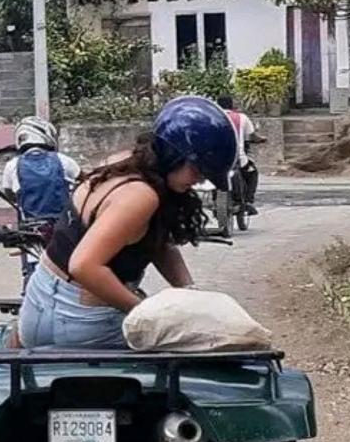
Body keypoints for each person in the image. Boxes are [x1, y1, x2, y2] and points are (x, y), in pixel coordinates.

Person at [18, 96, 237, 350]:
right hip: (78, 320)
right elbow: (84, 265)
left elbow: (158, 243)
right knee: (202, 351)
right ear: (173, 154)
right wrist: (145, 311)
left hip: (38, 304)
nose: (199, 180)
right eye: (197, 170)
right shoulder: (141, 196)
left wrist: (189, 292)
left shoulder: (123, 163)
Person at [0, 116, 82, 219]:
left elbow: (9, 195)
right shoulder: (63, 160)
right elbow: (85, 180)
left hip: (29, 223)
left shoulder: (12, 164)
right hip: (62, 222)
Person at [216, 95, 263, 215]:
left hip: (214, 160)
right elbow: (252, 136)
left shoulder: (210, 118)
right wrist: (261, 139)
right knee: (252, 173)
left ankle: (214, 200)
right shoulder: (242, 117)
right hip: (236, 159)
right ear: (232, 105)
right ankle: (248, 202)